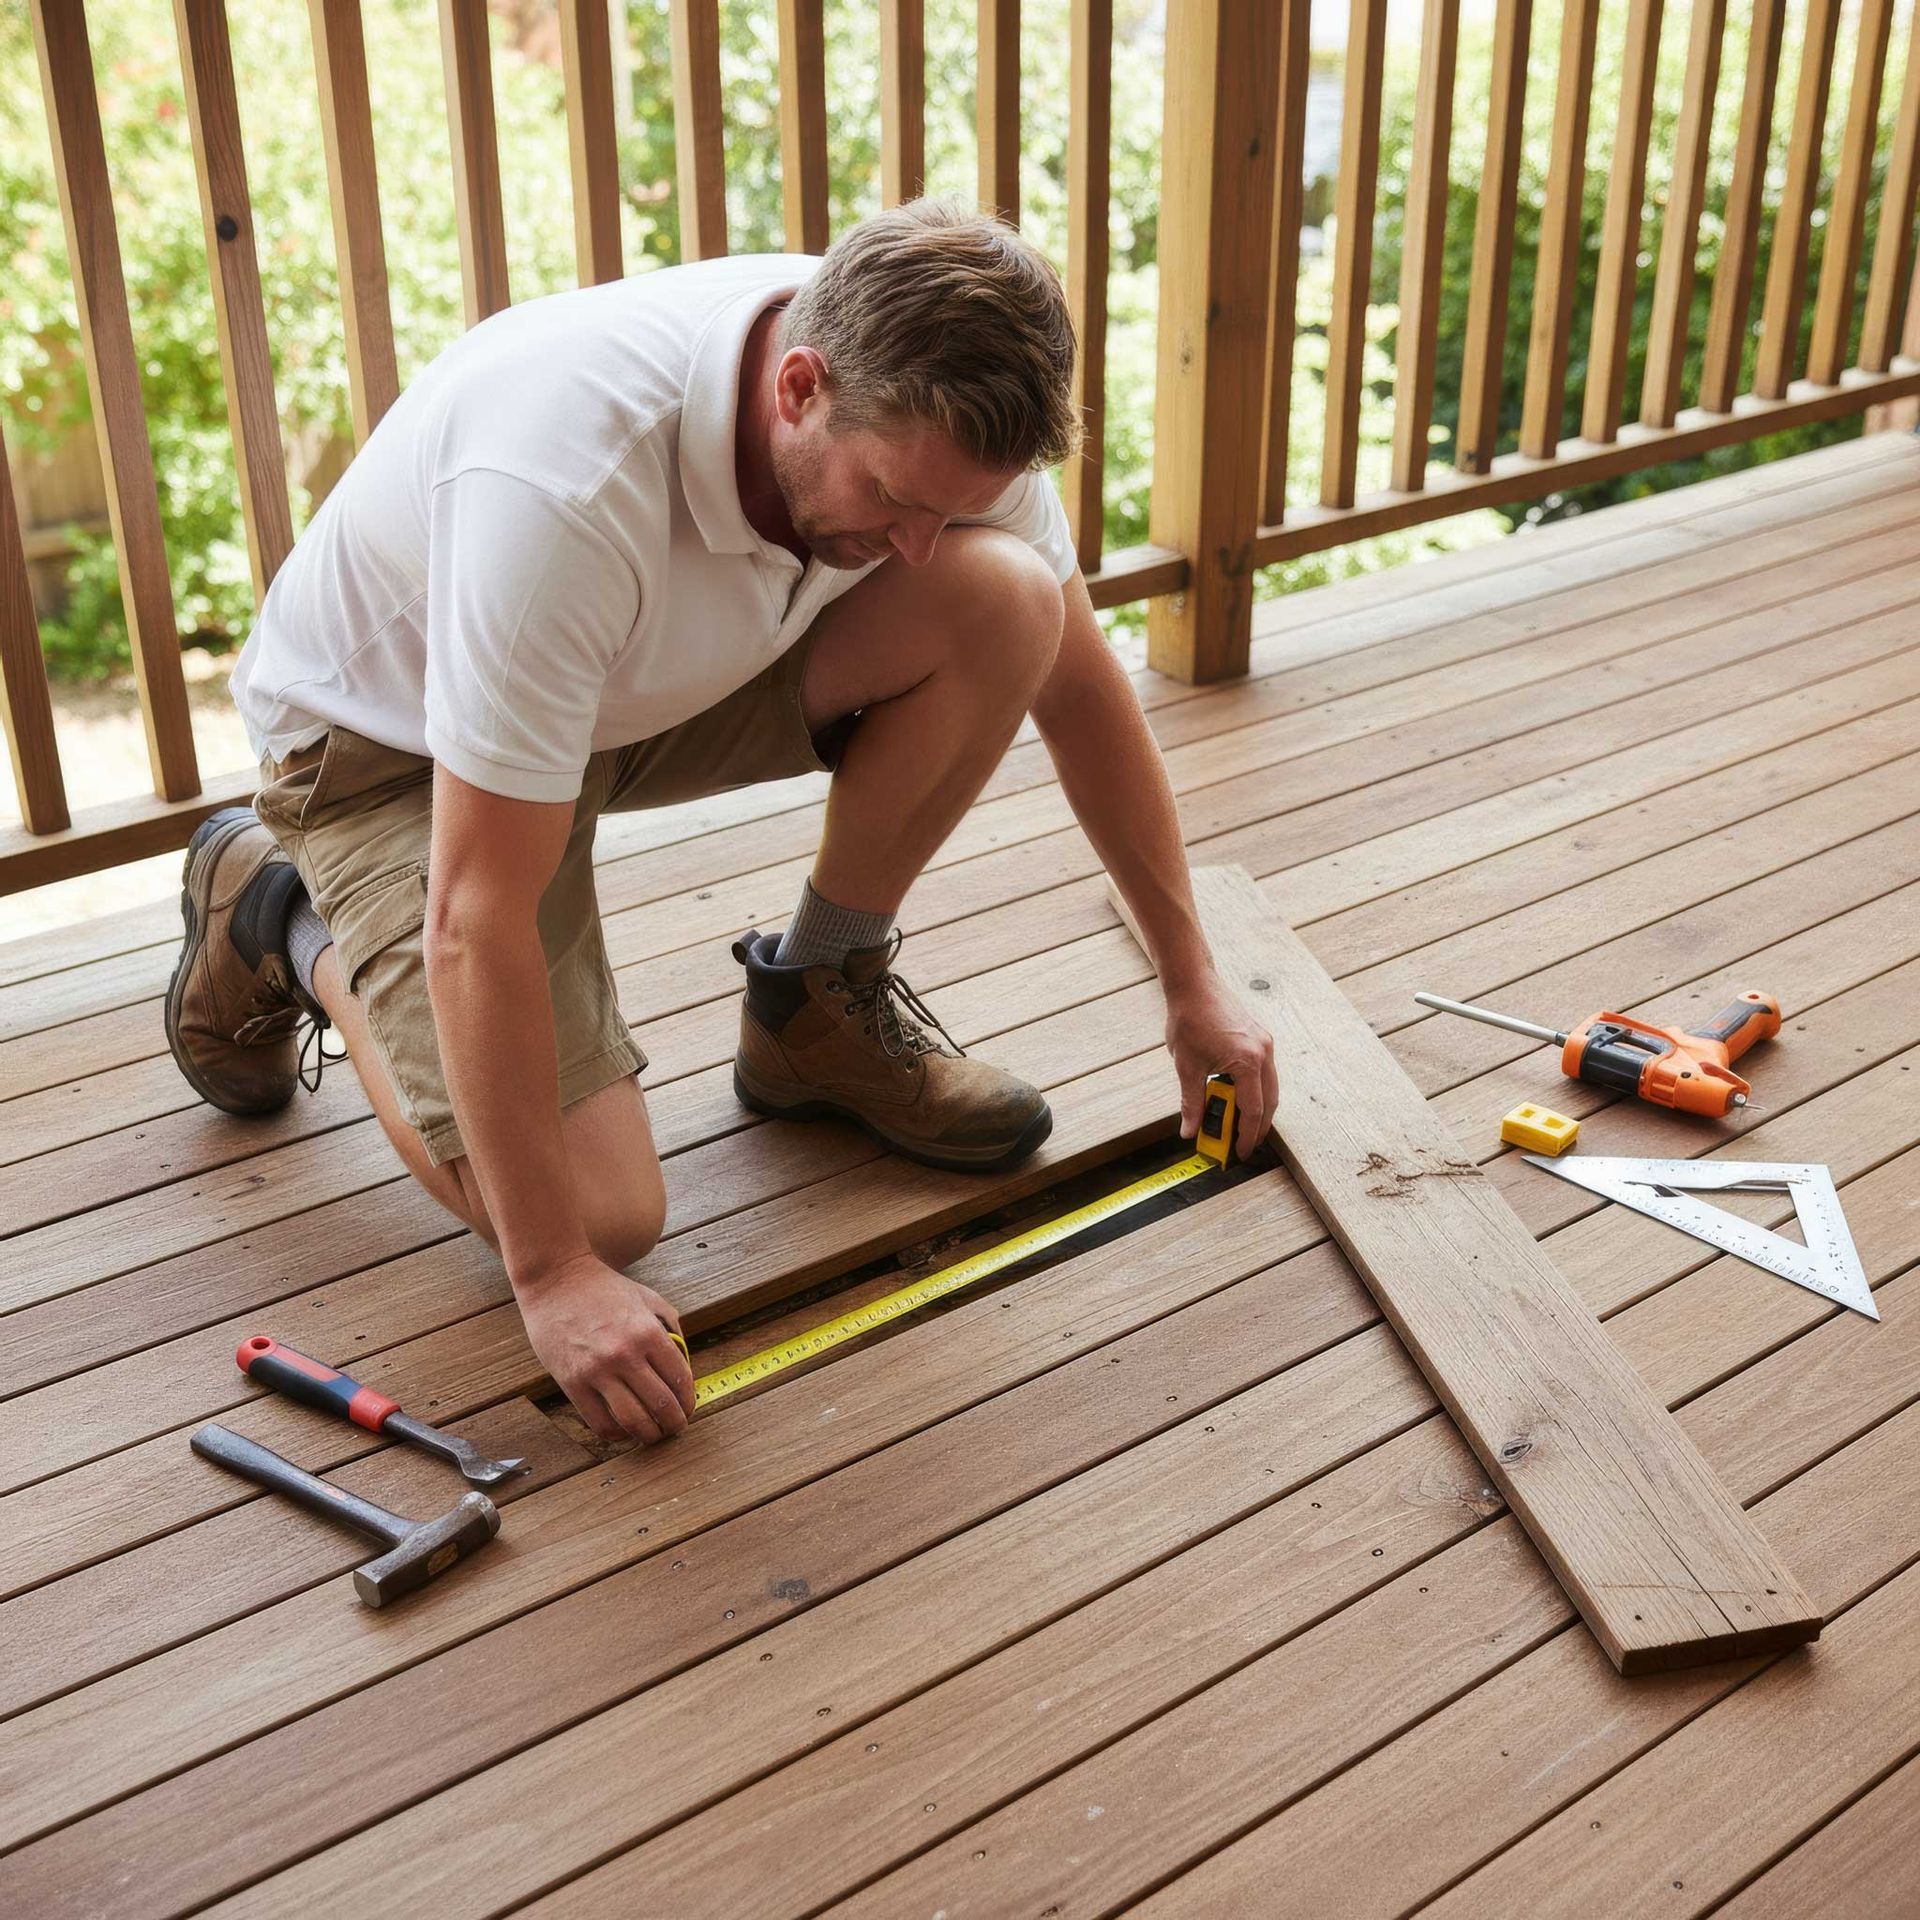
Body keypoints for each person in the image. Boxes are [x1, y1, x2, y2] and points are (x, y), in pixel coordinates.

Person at [165, 196, 1278, 1450]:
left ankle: (815, 1011)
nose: (920, 546)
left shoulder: (927, 407)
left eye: (951, 506)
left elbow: (1078, 689)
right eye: (896, 501)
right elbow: (477, 918)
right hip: (392, 754)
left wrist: (1197, 988)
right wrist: (555, 1280)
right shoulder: (565, 483)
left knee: (1015, 603)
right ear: (799, 387)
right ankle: (283, 910)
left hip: (628, 686)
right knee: (599, 1220)